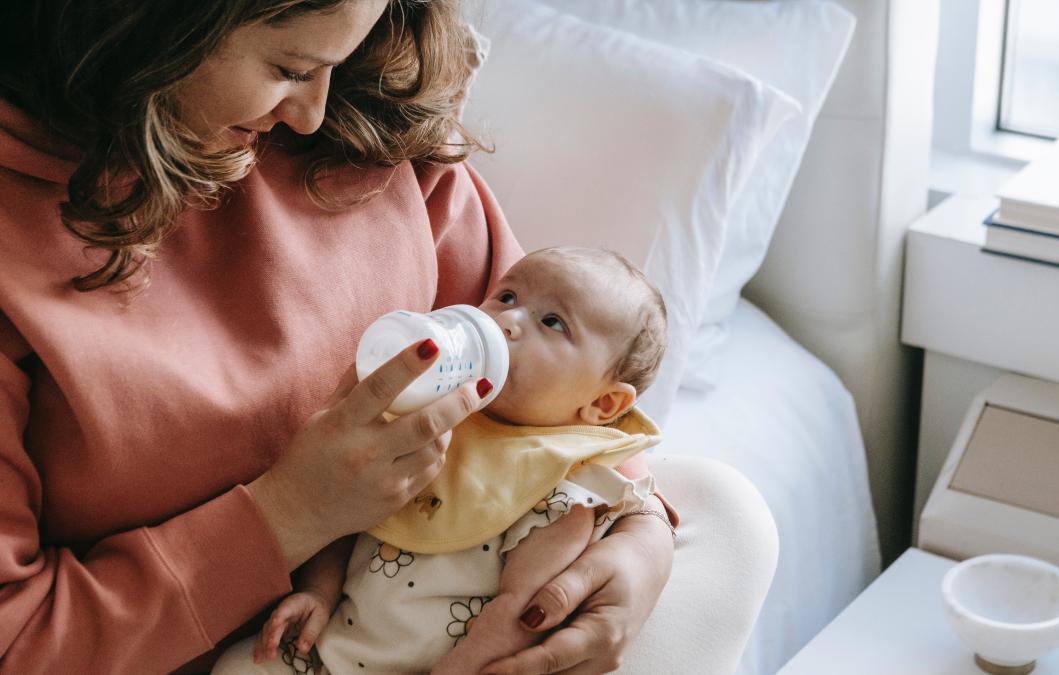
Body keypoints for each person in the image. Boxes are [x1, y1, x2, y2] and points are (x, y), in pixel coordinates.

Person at [0, 1, 680, 672]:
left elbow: (572, 381)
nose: (312, 114)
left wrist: (642, 540)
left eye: (340, 59)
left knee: (737, 518)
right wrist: (288, 515)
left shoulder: (370, 123)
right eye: (291, 67)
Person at [211, 246, 671, 674]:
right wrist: (318, 591)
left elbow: (519, 611)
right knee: (238, 665)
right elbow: (345, 512)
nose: (507, 319)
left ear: (603, 406)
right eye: (506, 295)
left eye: (553, 322)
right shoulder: (429, 411)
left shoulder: (562, 488)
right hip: (326, 653)